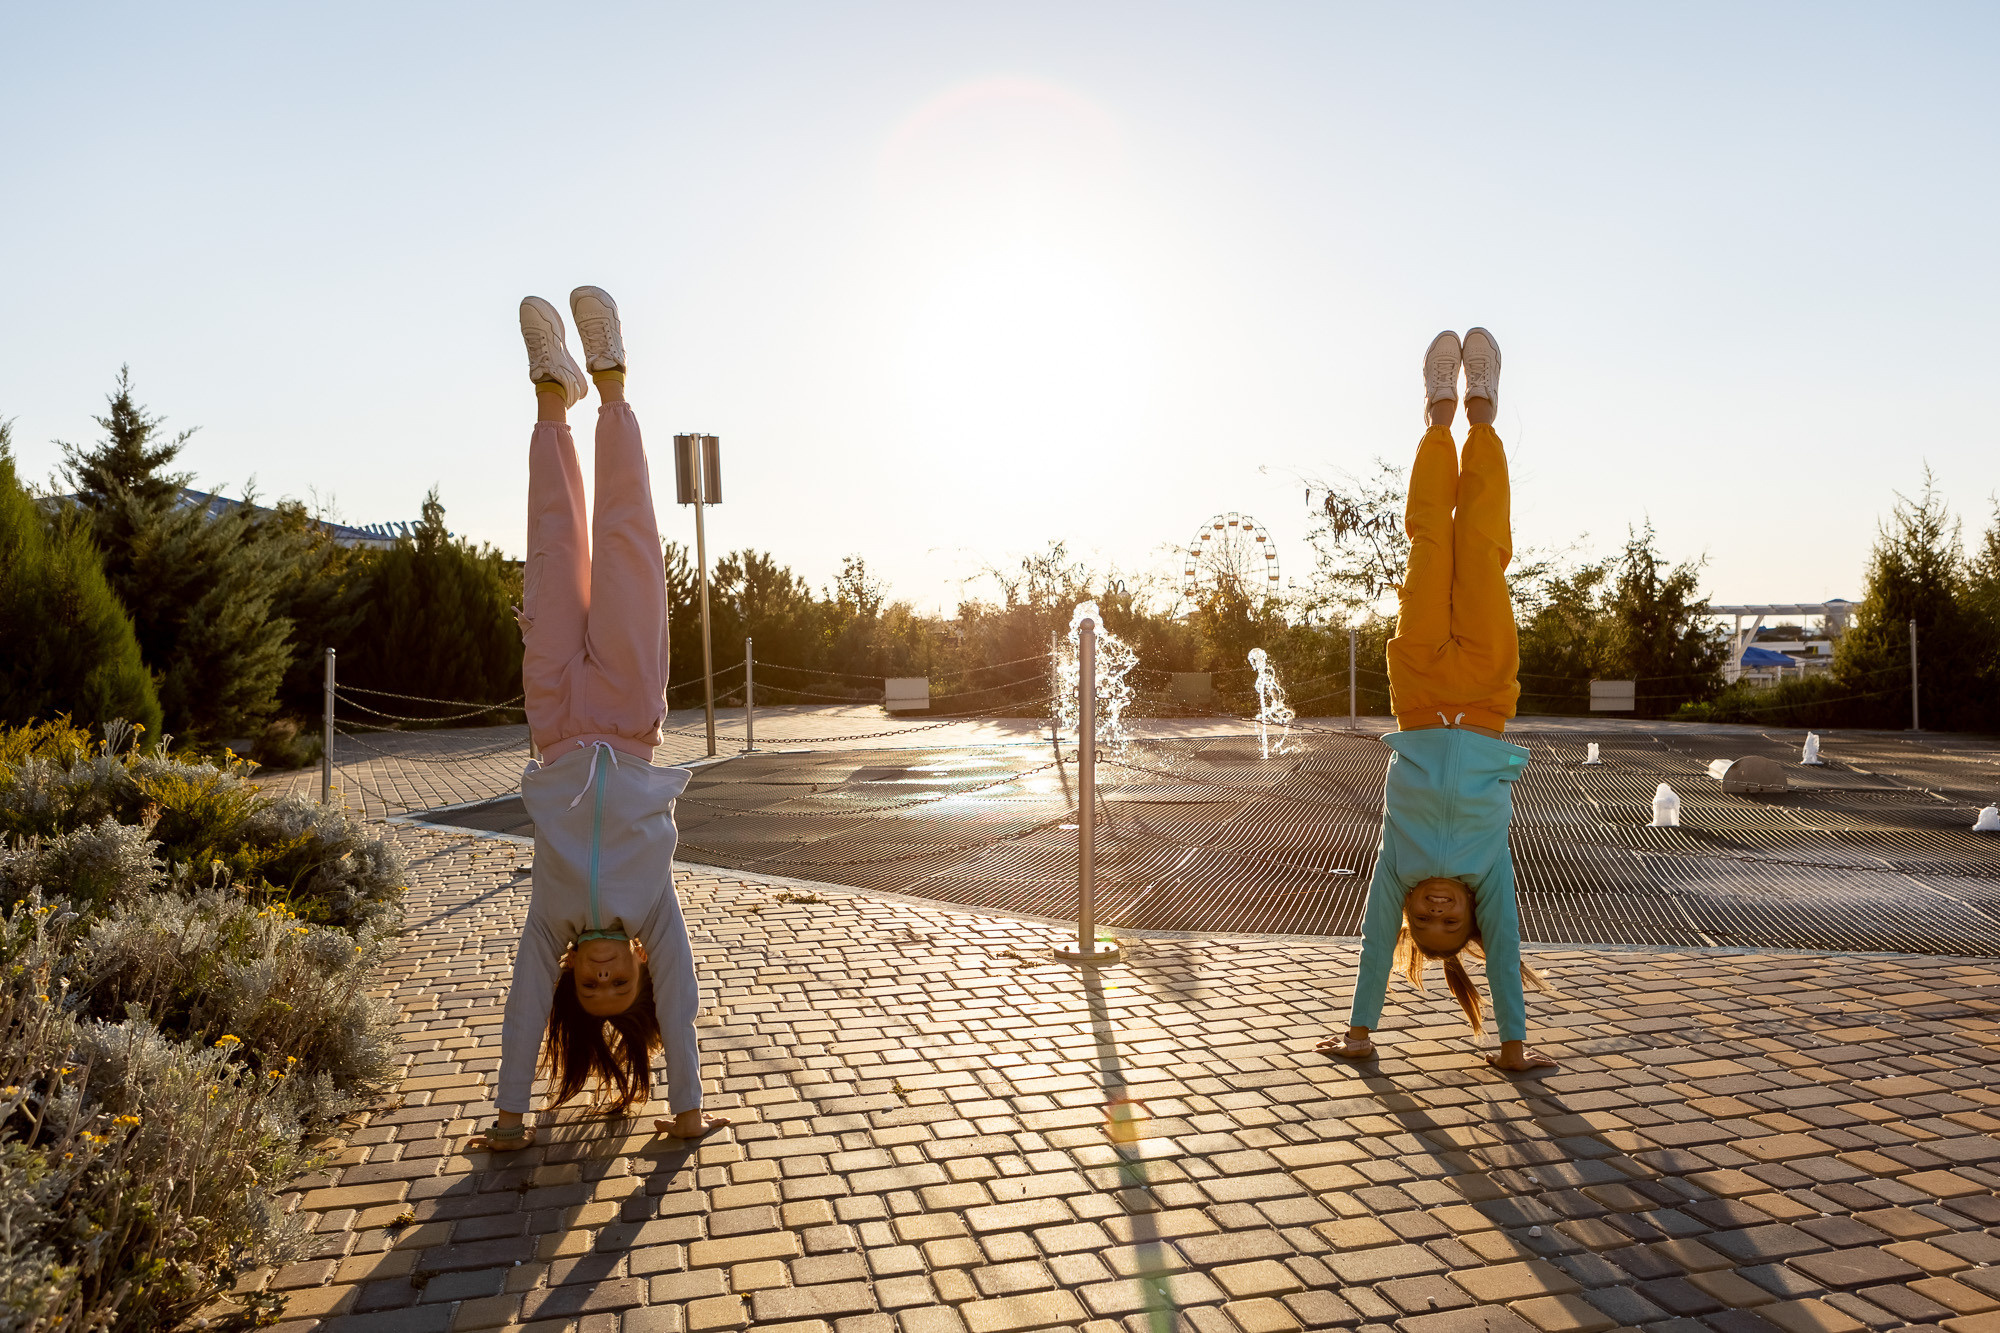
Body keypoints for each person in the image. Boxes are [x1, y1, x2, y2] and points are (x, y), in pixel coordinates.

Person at [474, 287, 729, 1150]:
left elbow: (518, 1007)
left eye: (593, 988)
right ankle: (611, 378)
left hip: (553, 716)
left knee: (553, 541)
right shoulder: (653, 909)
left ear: (572, 977)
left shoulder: (549, 922)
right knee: (626, 541)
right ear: (640, 974)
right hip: (625, 711)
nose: (607, 977)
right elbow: (685, 1008)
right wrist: (685, 1108)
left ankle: (552, 391)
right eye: (622, 986)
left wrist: (510, 1118)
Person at [1317, 328, 1555, 1072]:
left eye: (1426, 920)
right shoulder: (1490, 875)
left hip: (1417, 691)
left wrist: (1361, 1032)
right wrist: (1513, 1044)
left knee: (1429, 544)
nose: (1438, 911)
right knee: (1481, 546)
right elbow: (1508, 954)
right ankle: (1482, 411)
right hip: (1486, 692)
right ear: (1471, 917)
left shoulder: (1397, 867)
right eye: (1452, 921)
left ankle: (1436, 414)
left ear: (1414, 918)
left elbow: (1371, 945)